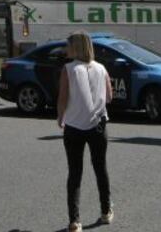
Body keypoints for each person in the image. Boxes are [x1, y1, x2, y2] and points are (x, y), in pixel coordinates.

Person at [57, 32, 114, 232]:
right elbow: (109, 97)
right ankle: (106, 211)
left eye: (68, 45)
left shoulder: (69, 69)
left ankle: (75, 221)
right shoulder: (101, 68)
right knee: (100, 168)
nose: (66, 49)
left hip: (74, 125)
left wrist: (60, 117)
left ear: (76, 48)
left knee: (75, 173)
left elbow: (63, 97)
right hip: (98, 124)